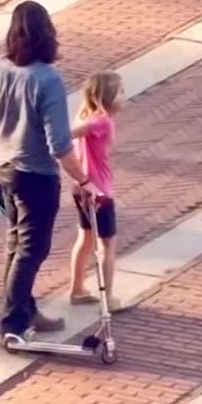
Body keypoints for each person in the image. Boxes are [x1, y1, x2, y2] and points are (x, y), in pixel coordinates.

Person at [0, 0, 94, 343]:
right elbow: (59, 144)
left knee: (16, 244)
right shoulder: (47, 79)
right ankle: (14, 323)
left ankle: (23, 309)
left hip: (5, 166)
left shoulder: (0, 67)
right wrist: (83, 178)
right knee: (32, 249)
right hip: (36, 174)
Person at [68, 71, 126, 312]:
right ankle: (108, 298)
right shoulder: (101, 121)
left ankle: (77, 289)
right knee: (108, 245)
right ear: (107, 98)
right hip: (98, 190)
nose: (124, 96)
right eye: (121, 92)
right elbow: (72, 133)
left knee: (85, 238)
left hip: (80, 187)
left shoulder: (87, 116)